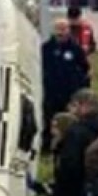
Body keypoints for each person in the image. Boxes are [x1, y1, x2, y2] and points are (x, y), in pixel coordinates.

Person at [39, 18, 91, 155]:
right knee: (50, 119)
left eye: (64, 29)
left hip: (70, 93)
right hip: (51, 92)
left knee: (70, 121)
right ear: (54, 30)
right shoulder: (46, 49)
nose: (61, 32)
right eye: (58, 29)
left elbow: (85, 68)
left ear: (68, 30)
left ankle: (69, 147)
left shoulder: (75, 49)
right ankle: (47, 147)